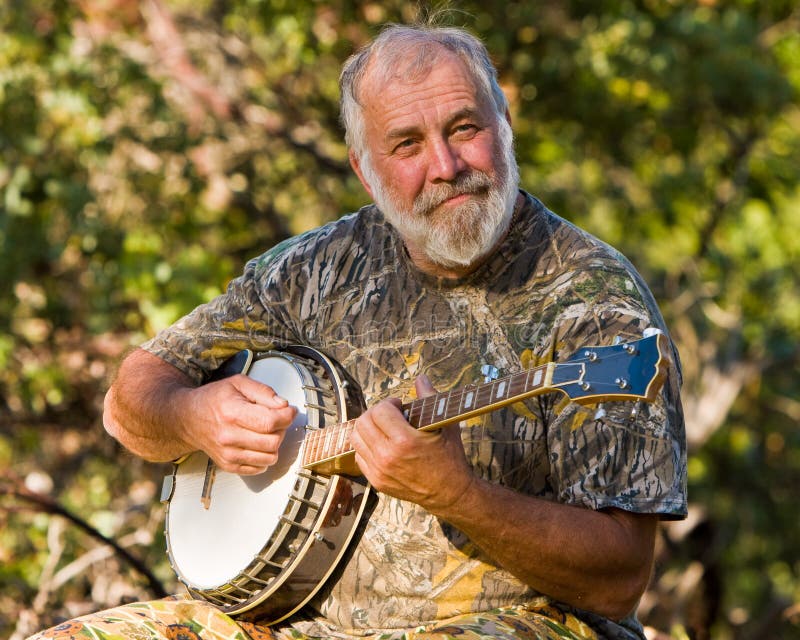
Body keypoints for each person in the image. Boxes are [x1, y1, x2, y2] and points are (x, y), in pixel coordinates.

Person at [31, 22, 686, 640]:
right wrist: (193, 414)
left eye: (464, 128)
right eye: (407, 144)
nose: (446, 165)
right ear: (362, 167)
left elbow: (621, 579)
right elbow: (130, 403)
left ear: (505, 125)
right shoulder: (314, 268)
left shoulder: (596, 300)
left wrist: (461, 496)